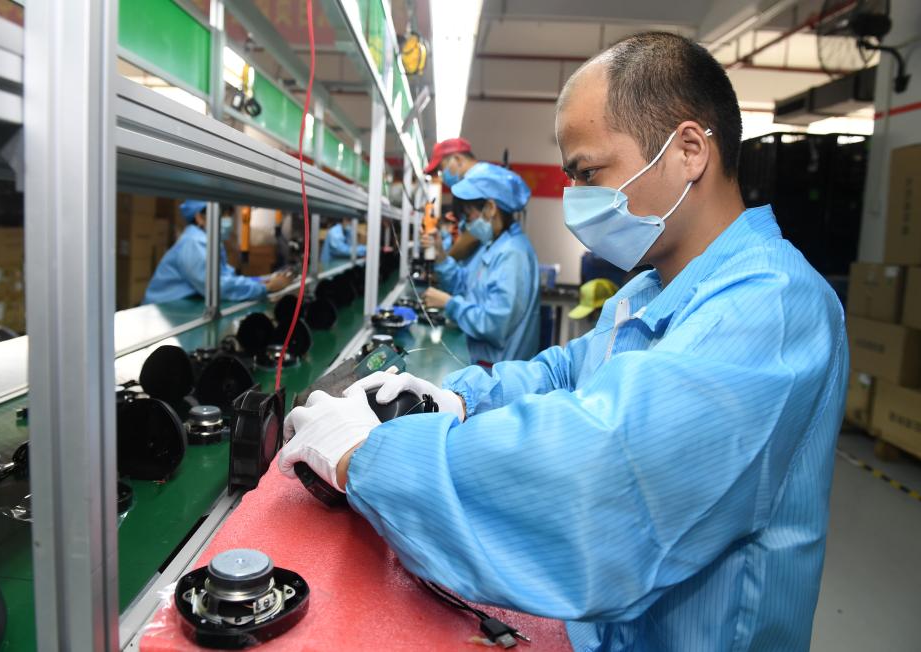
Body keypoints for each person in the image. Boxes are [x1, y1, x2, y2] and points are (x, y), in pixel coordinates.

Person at [278, 32, 847, 651]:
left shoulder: (773, 306)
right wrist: (460, 401)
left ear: (689, 151)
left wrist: (367, 458)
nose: (576, 200)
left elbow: (602, 476)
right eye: (571, 178)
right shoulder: (651, 289)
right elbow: (564, 373)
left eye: (589, 173)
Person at [418, 165, 538, 365]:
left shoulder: (512, 255)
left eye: (468, 215)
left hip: (499, 372)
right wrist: (440, 256)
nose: (467, 225)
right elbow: (466, 286)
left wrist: (450, 304)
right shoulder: (494, 245)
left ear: (490, 208)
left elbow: (495, 324)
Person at [143, 200, 291, 304]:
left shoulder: (208, 241)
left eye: (228, 215)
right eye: (222, 214)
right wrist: (266, 288)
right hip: (163, 315)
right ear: (199, 217)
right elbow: (218, 286)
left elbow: (225, 277)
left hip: (180, 309)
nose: (227, 220)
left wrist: (263, 279)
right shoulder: (194, 243)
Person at [423, 137, 492, 264]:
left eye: (441, 169)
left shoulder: (481, 182)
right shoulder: (466, 187)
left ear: (458, 159)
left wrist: (444, 257)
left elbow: (474, 235)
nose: (441, 177)